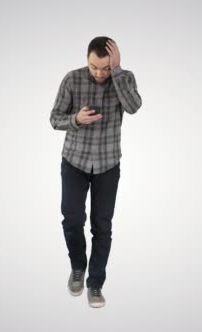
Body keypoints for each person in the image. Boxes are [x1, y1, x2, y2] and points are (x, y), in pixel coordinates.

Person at [49, 36, 142, 308]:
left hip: (107, 164)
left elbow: (134, 107)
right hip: (74, 162)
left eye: (104, 67)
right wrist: (75, 120)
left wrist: (119, 73)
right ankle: (78, 267)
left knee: (102, 226)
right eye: (94, 67)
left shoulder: (123, 78)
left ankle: (96, 282)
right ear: (87, 60)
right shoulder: (72, 79)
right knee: (72, 219)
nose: (99, 73)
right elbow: (54, 118)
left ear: (113, 63)